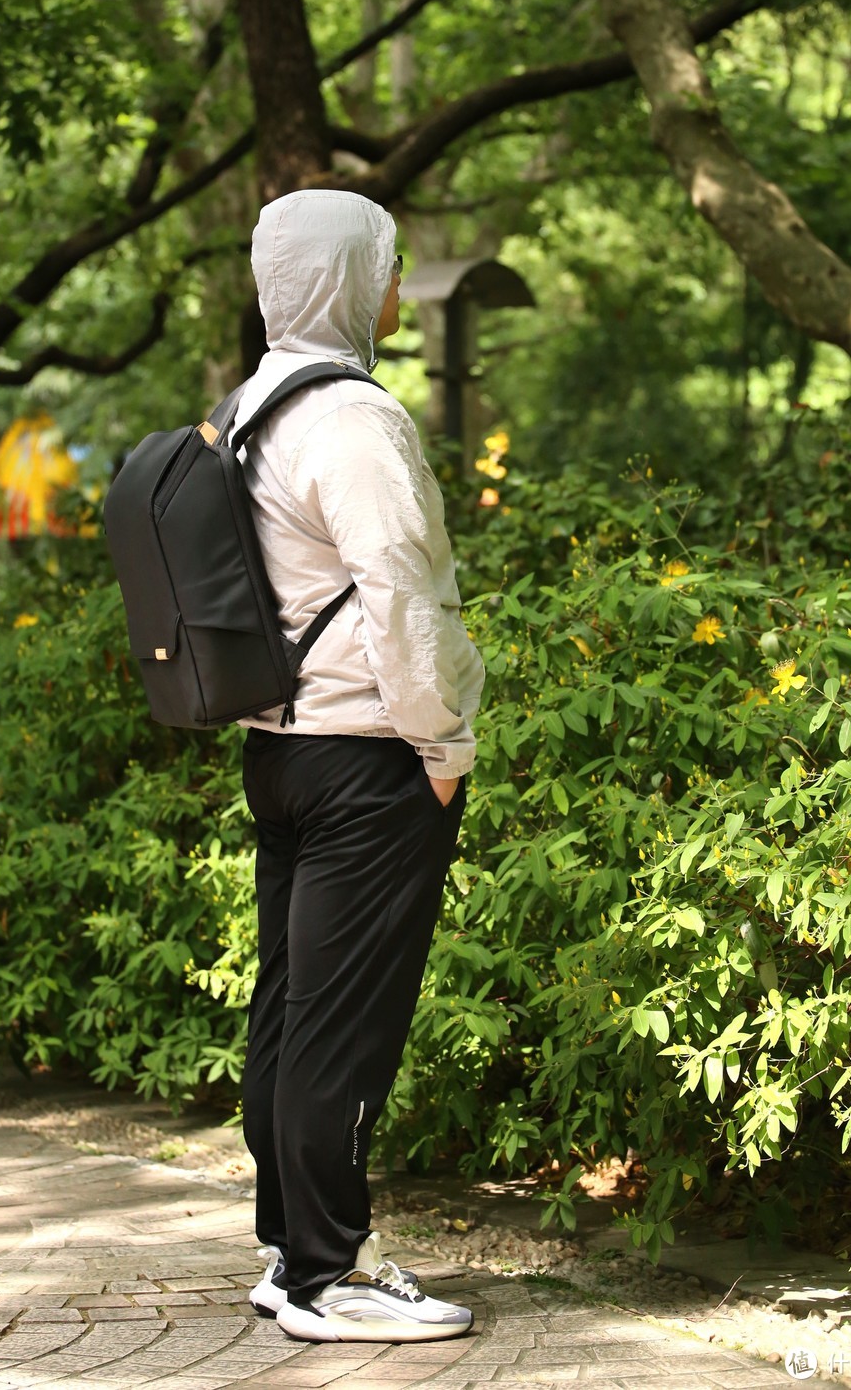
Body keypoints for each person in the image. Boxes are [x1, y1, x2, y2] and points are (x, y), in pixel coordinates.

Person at [229, 189, 485, 1345]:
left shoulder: (246, 408)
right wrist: (443, 745)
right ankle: (329, 1277)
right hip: (366, 758)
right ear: (344, 278)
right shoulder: (353, 419)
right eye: (387, 266)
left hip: (279, 751)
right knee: (344, 1029)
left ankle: (292, 1248)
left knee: (290, 1010)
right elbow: (401, 593)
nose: (397, 287)